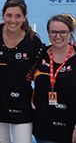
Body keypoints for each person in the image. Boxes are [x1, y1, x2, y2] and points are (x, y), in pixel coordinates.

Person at [0, 0, 43, 143]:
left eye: (18, 16)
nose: (13, 20)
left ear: (24, 17)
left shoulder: (33, 41)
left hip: (22, 104)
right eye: (9, 15)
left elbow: (39, 70)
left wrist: (32, 74)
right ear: (3, 15)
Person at [32, 14, 76, 143]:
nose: (58, 37)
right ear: (48, 33)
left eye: (63, 32)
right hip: (43, 129)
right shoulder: (39, 54)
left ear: (70, 32)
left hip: (70, 129)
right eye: (53, 32)